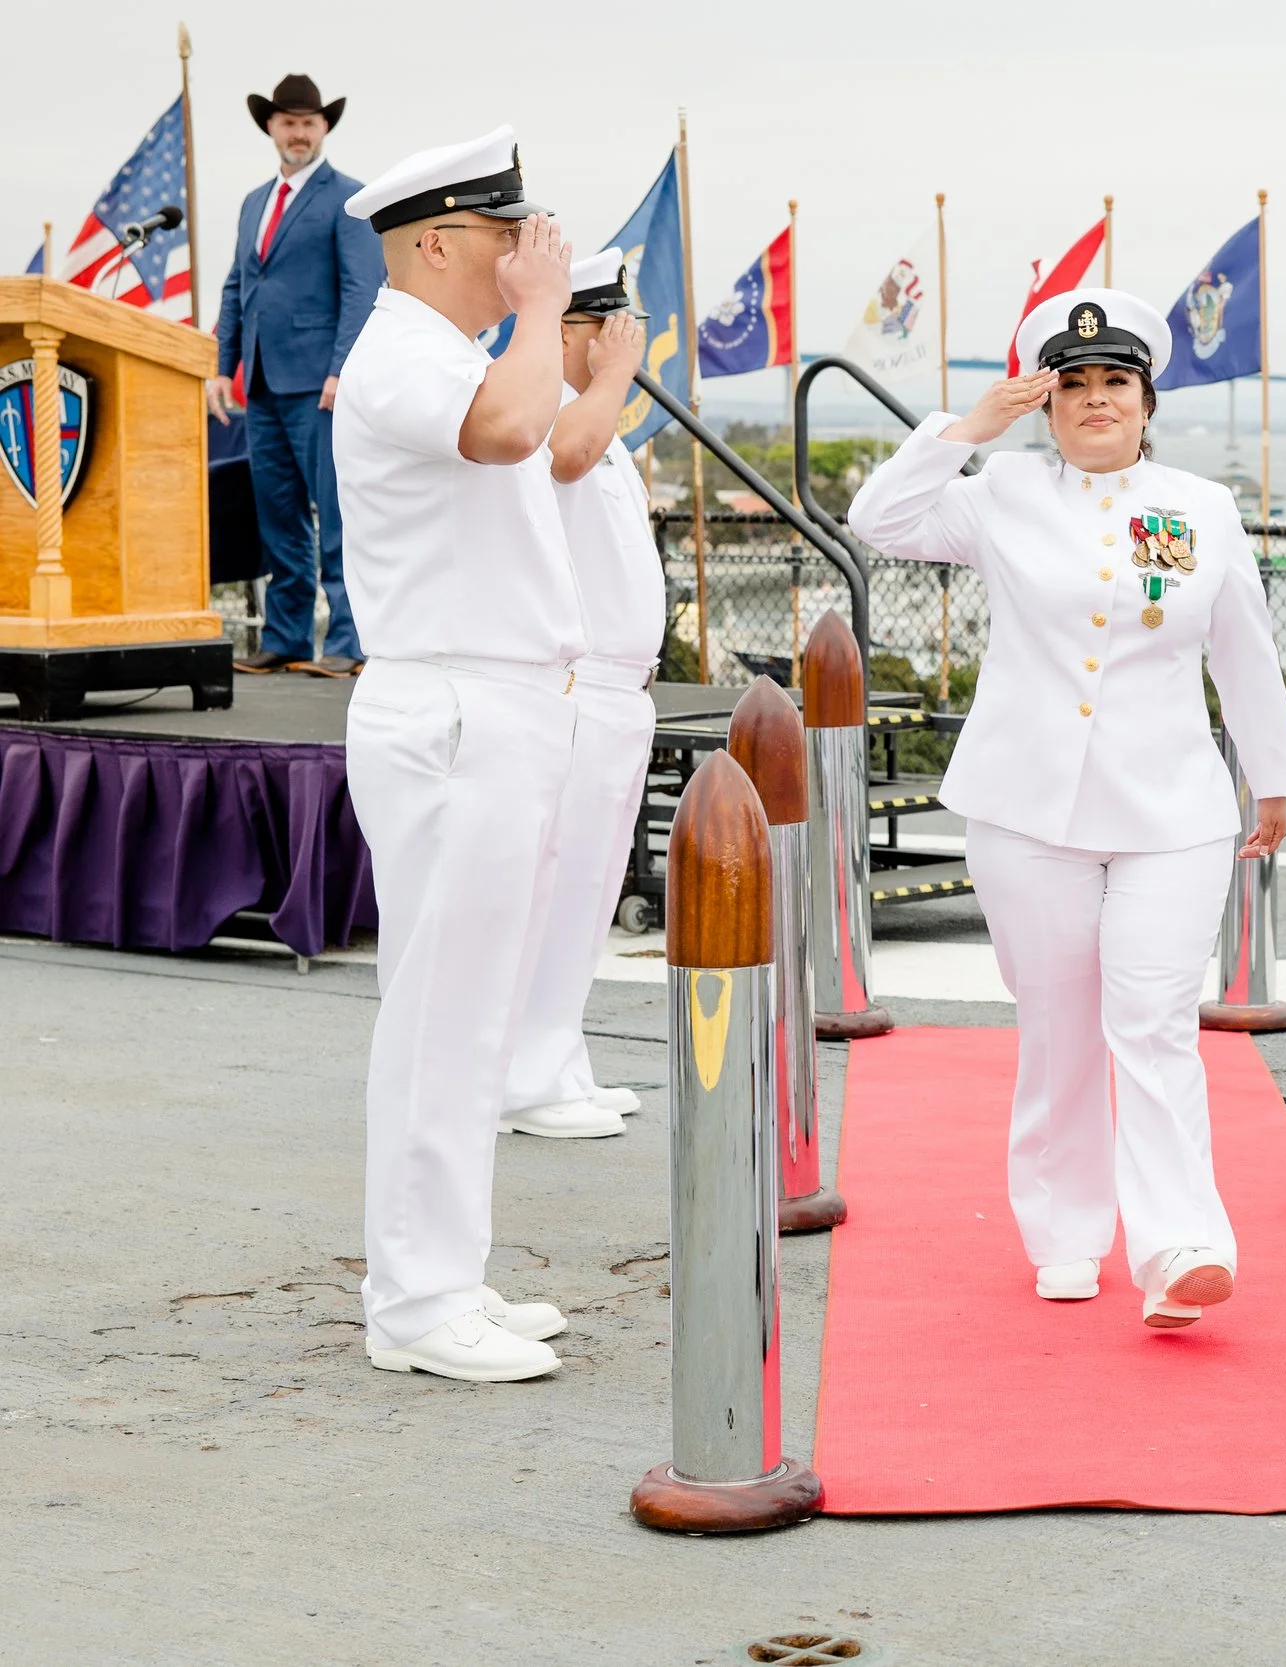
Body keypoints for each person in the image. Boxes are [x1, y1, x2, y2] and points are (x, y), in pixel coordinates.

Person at [847, 290, 1286, 1330]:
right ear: (1048, 403)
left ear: (1147, 400)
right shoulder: (1000, 491)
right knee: (1058, 1026)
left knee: (1151, 1018)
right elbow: (879, 518)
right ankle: (1063, 1231)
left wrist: (1267, 780)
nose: (1097, 400)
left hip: (1171, 805)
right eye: (1075, 384)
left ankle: (1180, 1240)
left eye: (1117, 383)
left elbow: (1242, 647)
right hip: (1024, 804)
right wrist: (968, 428)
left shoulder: (1200, 506)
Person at [333, 128, 588, 1383]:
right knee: (441, 1013)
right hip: (452, 712)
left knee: (475, 1011)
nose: (531, 254)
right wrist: (545, 311)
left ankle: (448, 1269)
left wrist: (530, 317)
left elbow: (535, 422)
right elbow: (502, 432)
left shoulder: (454, 351)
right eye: (508, 236)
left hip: (503, 707)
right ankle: (417, 1300)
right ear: (437, 242)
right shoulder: (400, 354)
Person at [500, 250, 662, 1142]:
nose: (624, 341)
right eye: (611, 325)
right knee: (555, 888)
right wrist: (612, 380)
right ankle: (523, 1077)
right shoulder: (554, 411)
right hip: (578, 685)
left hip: (617, 691)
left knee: (590, 888)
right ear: (571, 330)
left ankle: (558, 1057)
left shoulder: (596, 414)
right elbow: (565, 457)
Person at [210, 74, 383, 678]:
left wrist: (342, 370)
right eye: (288, 122)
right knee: (277, 515)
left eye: (310, 122)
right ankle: (285, 638)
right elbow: (238, 286)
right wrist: (220, 366)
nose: (299, 132)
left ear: (324, 128)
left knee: (335, 512)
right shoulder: (254, 202)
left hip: (320, 385)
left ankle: (348, 641)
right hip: (259, 382)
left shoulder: (349, 198)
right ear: (271, 128)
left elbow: (362, 291)